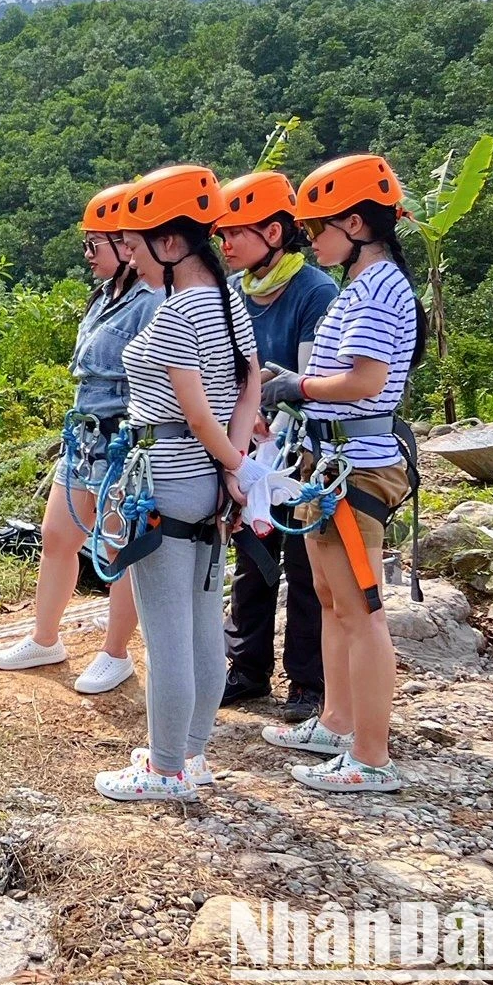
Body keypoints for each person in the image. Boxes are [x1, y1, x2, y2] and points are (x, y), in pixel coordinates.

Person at [92, 164, 261, 802]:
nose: (129, 258)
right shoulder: (227, 303)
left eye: (135, 245)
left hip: (166, 479)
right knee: (201, 624)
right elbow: (248, 387)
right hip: (208, 487)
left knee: (166, 633)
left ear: (169, 243)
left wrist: (234, 465)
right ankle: (192, 754)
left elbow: (191, 410)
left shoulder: (174, 319)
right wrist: (233, 462)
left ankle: (164, 769)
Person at [258, 154, 423, 794]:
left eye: (317, 226)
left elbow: (366, 381)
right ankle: (338, 722)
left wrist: (293, 384)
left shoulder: (381, 289)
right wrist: (295, 391)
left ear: (354, 223)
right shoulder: (365, 286)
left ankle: (372, 756)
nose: (310, 239)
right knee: (333, 602)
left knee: (360, 610)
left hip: (358, 465)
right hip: (330, 461)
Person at [0, 183, 154, 692]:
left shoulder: (151, 300)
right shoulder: (106, 296)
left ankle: (115, 651)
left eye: (94, 245)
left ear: (125, 245)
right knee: (58, 534)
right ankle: (45, 637)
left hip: (121, 438)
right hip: (84, 432)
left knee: (115, 545)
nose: (87, 256)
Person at [215, 171, 340, 719]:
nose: (225, 246)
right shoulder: (239, 295)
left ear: (271, 232)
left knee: (306, 566)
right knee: (254, 556)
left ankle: (310, 685)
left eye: (234, 233)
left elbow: (314, 377)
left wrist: (268, 409)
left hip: (305, 449)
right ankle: (247, 669)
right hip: (255, 447)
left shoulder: (315, 292)